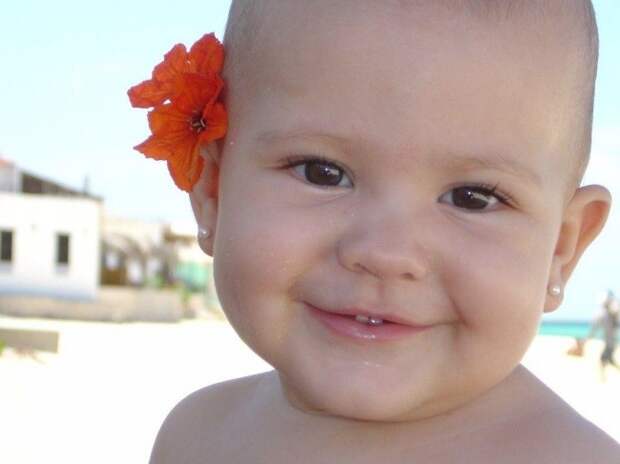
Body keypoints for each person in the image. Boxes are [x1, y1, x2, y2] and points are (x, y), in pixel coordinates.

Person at [134, 1, 619, 462]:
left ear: (561, 248)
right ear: (213, 190)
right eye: (322, 172)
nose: (386, 253)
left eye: (472, 197)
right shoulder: (195, 436)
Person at [588, 290, 619, 381]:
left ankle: (602, 379)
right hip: (611, 342)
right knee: (610, 360)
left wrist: (587, 338)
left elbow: (594, 328)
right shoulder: (609, 315)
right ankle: (602, 378)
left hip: (610, 343)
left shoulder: (608, 315)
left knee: (603, 360)